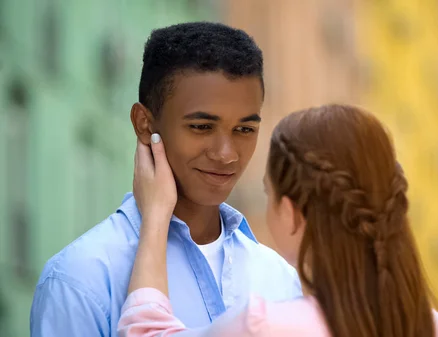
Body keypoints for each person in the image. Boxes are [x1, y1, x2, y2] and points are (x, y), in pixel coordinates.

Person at [30, 22, 301, 337]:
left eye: (244, 129)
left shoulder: (281, 279)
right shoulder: (80, 279)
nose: (227, 154)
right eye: (201, 126)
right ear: (144, 123)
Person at [118, 104, 438, 337]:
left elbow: (145, 330)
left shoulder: (265, 326)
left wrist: (156, 215)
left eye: (269, 194)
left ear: (291, 212)